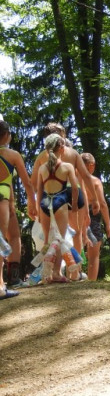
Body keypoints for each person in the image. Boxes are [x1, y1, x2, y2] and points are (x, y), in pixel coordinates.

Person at [31, 123, 96, 256]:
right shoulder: (73, 153)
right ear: (62, 136)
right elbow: (85, 176)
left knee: (52, 235)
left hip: (51, 195)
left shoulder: (42, 156)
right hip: (72, 193)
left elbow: (34, 183)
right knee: (76, 233)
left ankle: (52, 265)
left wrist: (33, 204)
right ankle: (75, 267)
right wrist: (94, 199)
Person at [34, 134, 80, 282]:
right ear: (61, 148)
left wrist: (38, 210)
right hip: (60, 202)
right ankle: (56, 273)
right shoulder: (67, 167)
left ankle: (46, 274)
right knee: (59, 240)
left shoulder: (42, 168)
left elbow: (39, 190)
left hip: (45, 202)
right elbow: (75, 188)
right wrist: (74, 205)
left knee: (47, 240)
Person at [0, 121, 34, 296]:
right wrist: (32, 202)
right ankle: (1, 286)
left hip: (8, 201)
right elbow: (27, 183)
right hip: (2, 199)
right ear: (6, 135)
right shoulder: (12, 155)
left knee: (13, 235)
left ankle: (11, 279)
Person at [80, 153, 110, 281]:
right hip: (92, 215)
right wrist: (108, 224)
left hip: (76, 213)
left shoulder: (73, 180)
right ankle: (91, 281)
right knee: (94, 252)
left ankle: (74, 277)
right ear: (91, 165)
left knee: (75, 246)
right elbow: (102, 203)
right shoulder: (95, 181)